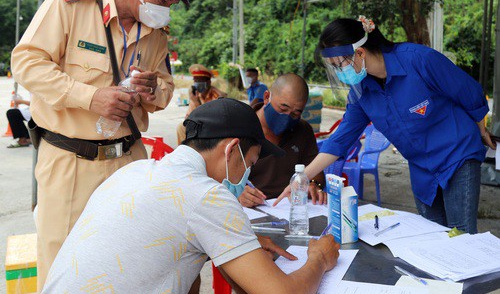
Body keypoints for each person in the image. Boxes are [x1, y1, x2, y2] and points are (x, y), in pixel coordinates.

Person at [11, 0, 213, 289]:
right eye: (164, 0)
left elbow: (164, 88)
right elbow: (26, 63)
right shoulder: (69, 6)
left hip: (130, 159)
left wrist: (153, 91)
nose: (167, 11)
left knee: (130, 256)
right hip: (70, 160)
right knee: (62, 262)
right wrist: (90, 97)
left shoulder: (155, 34)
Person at [42, 98, 340, 294]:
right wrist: (319, 259)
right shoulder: (206, 195)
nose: (245, 176)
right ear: (230, 149)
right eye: (249, 164)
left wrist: (229, 243)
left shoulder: (135, 170)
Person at [275, 16, 496, 234]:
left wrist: (481, 129)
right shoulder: (362, 92)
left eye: (339, 65)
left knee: (462, 236)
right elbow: (339, 140)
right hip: (422, 167)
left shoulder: (419, 60)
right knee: (431, 235)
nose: (340, 73)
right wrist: (301, 179)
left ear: (359, 53)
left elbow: (469, 93)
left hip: (457, 156)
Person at [238, 73, 327, 208]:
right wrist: (236, 192)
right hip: (248, 210)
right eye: (283, 108)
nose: (287, 117)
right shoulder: (239, 126)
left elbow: (317, 174)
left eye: (295, 113)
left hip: (290, 208)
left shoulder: (303, 130)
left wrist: (313, 184)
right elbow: (215, 175)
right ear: (267, 97)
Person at [176, 63, 227, 144]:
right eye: (196, 81)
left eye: (200, 81)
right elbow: (188, 118)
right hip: (199, 127)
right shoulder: (196, 95)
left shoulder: (216, 96)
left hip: (212, 130)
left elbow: (208, 120)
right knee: (181, 127)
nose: (197, 83)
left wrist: (196, 103)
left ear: (209, 82)